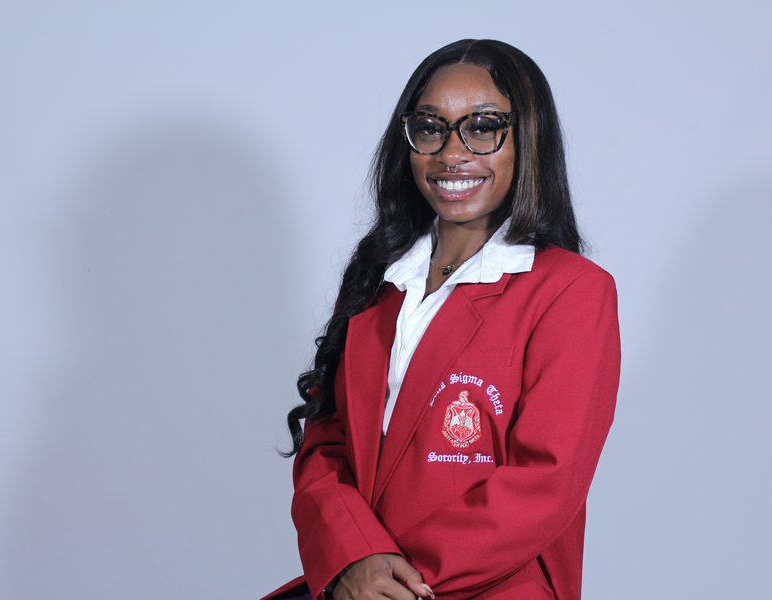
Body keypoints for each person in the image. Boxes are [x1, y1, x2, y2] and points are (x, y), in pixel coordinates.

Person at [263, 39, 620, 600]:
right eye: (430, 128)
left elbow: (545, 482)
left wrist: (394, 582)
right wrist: (353, 558)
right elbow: (327, 441)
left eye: (483, 127)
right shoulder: (376, 281)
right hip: (358, 579)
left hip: (485, 587)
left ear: (528, 138)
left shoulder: (571, 291)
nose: (452, 153)